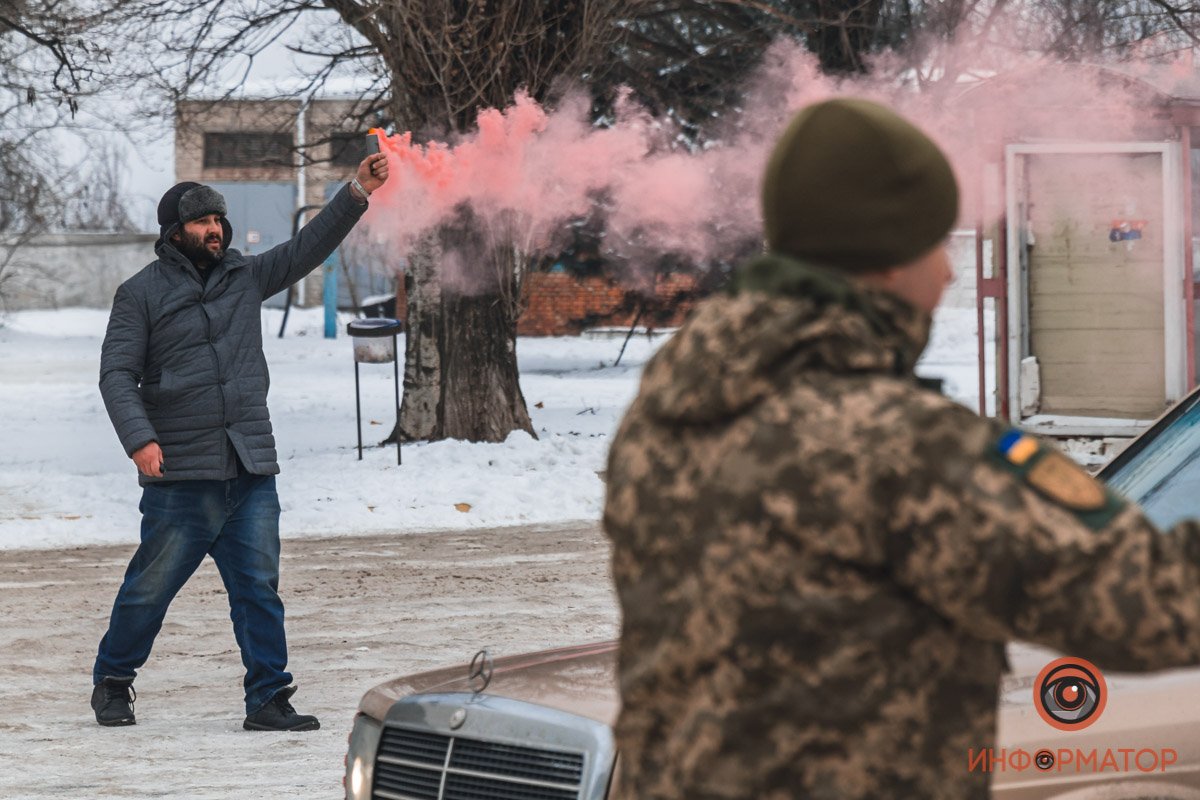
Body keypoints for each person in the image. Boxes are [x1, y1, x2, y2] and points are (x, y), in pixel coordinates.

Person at [603, 97, 1200, 798]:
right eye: (935, 245)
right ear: (885, 261)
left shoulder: (666, 414)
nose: (948, 274)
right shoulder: (904, 447)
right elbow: (1158, 603)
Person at [91, 150, 389, 730]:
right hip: (180, 474)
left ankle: (268, 698)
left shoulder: (245, 275)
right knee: (148, 592)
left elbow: (308, 247)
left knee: (258, 591)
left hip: (248, 464)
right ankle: (113, 680)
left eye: (219, 221)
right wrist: (139, 440)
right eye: (203, 222)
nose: (215, 230)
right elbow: (116, 375)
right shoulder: (140, 294)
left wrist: (356, 190)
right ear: (175, 233)